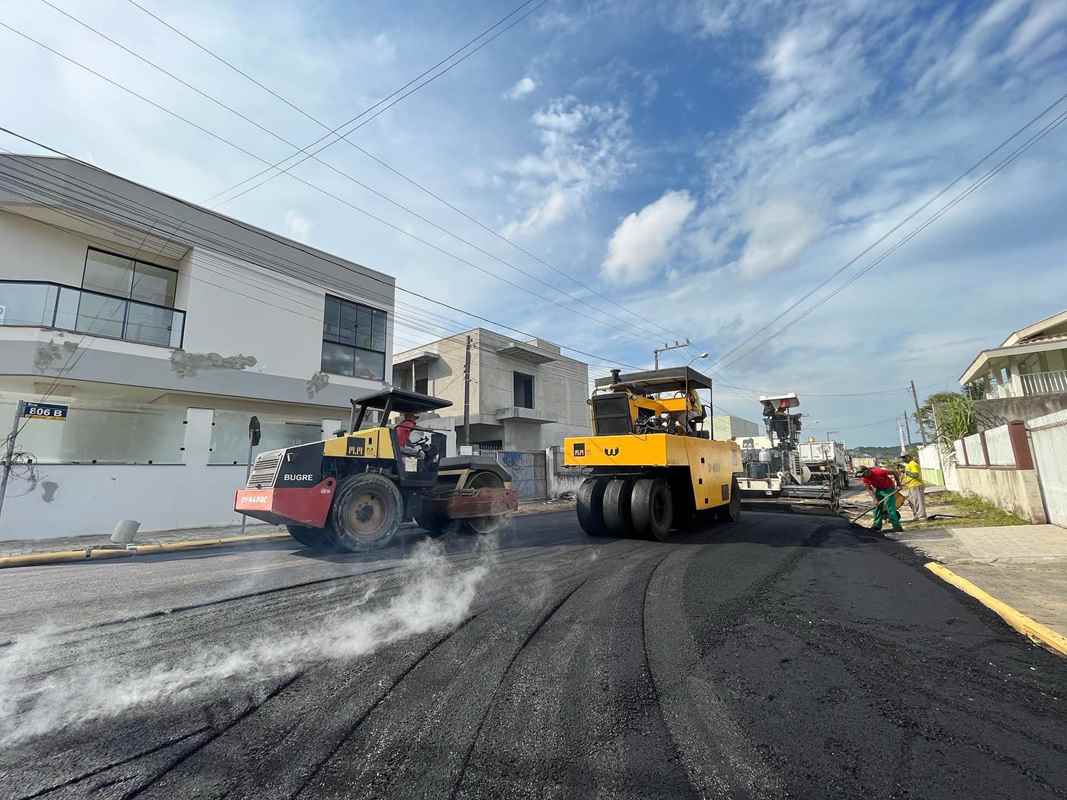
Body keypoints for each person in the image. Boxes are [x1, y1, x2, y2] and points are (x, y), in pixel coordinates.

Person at [860, 465, 903, 533]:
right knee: (877, 507)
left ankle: (897, 527)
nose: (864, 477)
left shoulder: (879, 471)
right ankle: (877, 525)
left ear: (868, 471)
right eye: (863, 476)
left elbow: (894, 472)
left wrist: (898, 484)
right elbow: (869, 488)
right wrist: (874, 499)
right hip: (879, 489)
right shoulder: (864, 477)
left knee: (890, 508)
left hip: (889, 489)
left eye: (864, 475)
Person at [902, 452, 926, 520]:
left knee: (918, 502)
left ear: (908, 457)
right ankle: (916, 515)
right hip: (911, 486)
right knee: (912, 502)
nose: (903, 459)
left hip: (916, 485)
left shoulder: (913, 464)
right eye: (902, 458)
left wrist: (906, 472)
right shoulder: (908, 465)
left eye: (904, 457)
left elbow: (916, 475)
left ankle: (922, 516)